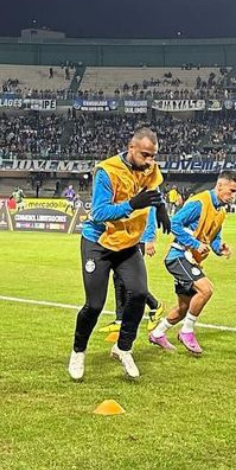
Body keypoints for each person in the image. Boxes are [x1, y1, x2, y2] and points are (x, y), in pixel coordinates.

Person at [68, 127, 172, 381]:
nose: (149, 161)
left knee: (138, 293)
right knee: (94, 305)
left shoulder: (149, 169)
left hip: (127, 244)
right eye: (145, 155)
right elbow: (99, 213)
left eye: (153, 156)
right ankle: (78, 351)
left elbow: (153, 191)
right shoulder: (107, 171)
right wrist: (132, 205)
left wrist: (160, 208)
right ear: (131, 148)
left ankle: (123, 348)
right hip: (98, 243)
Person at [148, 171, 236, 354]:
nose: (233, 196)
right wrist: (195, 244)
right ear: (220, 185)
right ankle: (187, 331)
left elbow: (213, 237)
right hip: (179, 256)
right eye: (231, 191)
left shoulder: (221, 212)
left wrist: (219, 248)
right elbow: (174, 223)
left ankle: (158, 334)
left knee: (184, 308)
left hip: (190, 260)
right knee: (206, 289)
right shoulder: (199, 202)